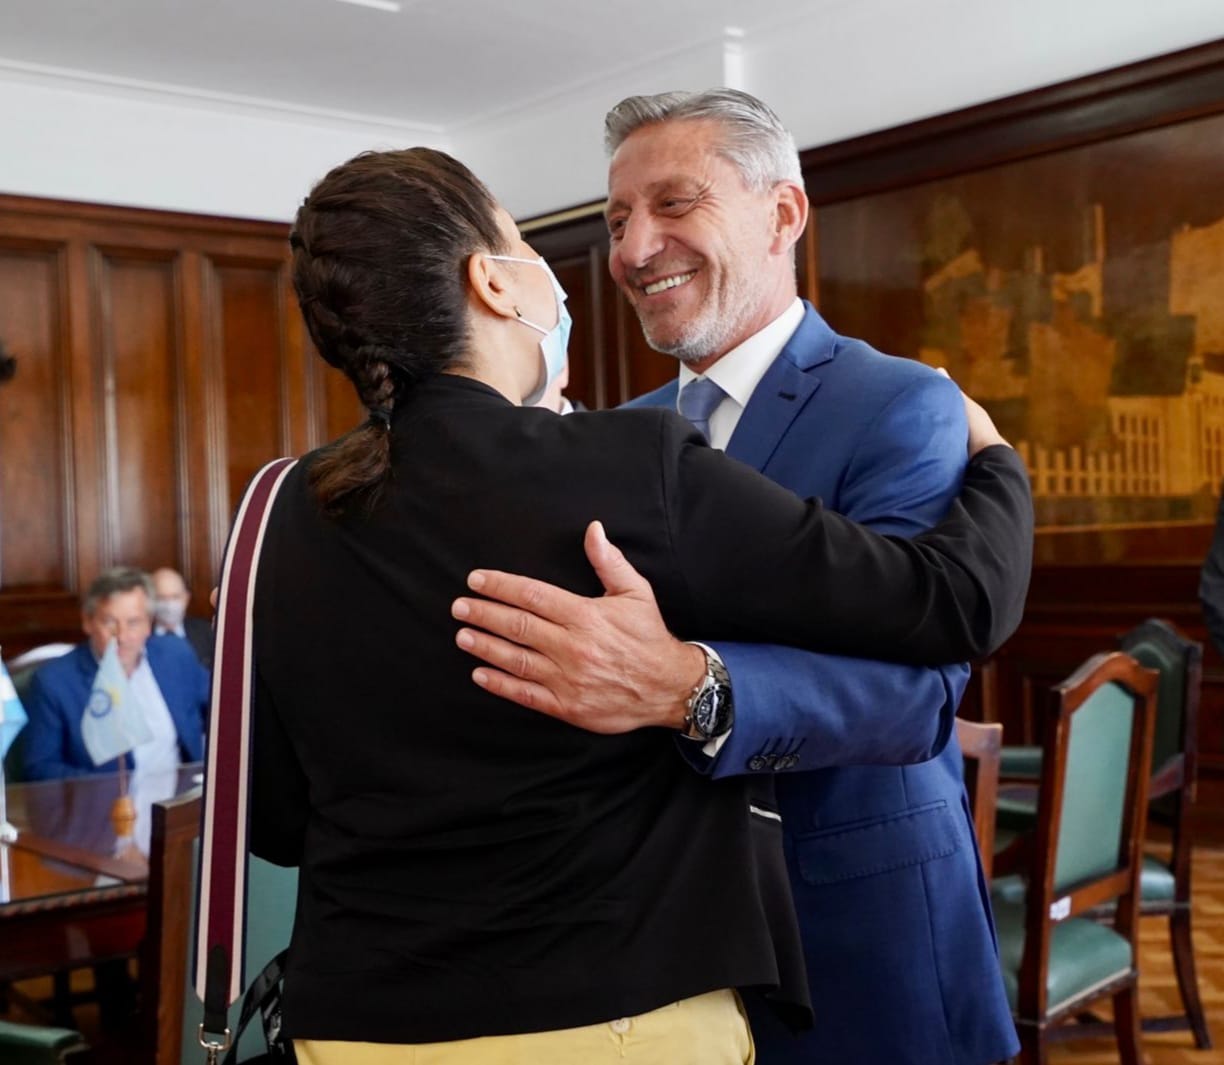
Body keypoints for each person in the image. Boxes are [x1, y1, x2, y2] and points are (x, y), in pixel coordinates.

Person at [248, 146, 1031, 1064]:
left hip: (359, 1029)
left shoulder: (280, 508)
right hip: (608, 1015)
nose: (623, 250)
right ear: (492, 283)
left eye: (672, 204)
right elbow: (953, 600)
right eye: (530, 242)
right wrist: (999, 462)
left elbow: (275, 817)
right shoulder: (624, 464)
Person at [451, 90, 1024, 1065]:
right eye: (618, 221)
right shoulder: (606, 438)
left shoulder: (900, 403)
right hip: (651, 954)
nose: (635, 249)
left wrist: (691, 688)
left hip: (856, 937)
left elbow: (916, 698)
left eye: (674, 204)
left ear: (782, 213)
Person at [23, 566, 208, 781]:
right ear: (88, 622)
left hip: (184, 796)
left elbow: (220, 710)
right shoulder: (53, 682)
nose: (122, 636)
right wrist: (106, 792)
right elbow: (40, 768)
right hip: (106, 802)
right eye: (110, 622)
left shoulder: (175, 655)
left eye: (133, 622)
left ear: (149, 624)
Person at [151, 566, 215, 669]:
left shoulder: (208, 632)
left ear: (186, 598)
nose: (169, 605)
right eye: (161, 598)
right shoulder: (140, 635)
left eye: (175, 597)